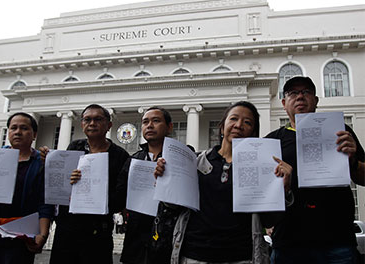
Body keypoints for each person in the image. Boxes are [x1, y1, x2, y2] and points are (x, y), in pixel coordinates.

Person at [155, 101, 292, 264]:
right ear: (222, 127)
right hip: (194, 255)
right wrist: (164, 181)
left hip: (241, 257)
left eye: (247, 122)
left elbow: (269, 220)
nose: (239, 125)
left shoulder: (262, 167)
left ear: (253, 132)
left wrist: (283, 190)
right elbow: (174, 206)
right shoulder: (196, 163)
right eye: (234, 119)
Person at [265, 76, 365, 264]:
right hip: (288, 242)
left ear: (316, 100)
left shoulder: (341, 131)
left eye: (306, 92)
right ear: (284, 103)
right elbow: (264, 192)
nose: (300, 96)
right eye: (293, 93)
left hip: (337, 241)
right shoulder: (272, 142)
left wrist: (352, 161)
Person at [0, 112, 54, 264]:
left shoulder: (41, 162)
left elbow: (45, 202)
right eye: (13, 128)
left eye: (24, 128)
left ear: (34, 134)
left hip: (19, 241)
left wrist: (43, 234)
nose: (18, 132)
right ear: (8, 132)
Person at [47, 104, 130, 264]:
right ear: (82, 124)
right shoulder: (74, 148)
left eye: (98, 119)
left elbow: (121, 196)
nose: (92, 123)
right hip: (67, 229)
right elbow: (61, 185)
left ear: (109, 125)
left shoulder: (120, 156)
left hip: (98, 231)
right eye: (87, 119)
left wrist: (99, 196)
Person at [119, 106, 175, 264]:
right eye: (145, 122)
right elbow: (119, 195)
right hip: (136, 242)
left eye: (156, 121)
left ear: (169, 127)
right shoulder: (133, 160)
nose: (149, 125)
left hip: (168, 239)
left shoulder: (181, 155)